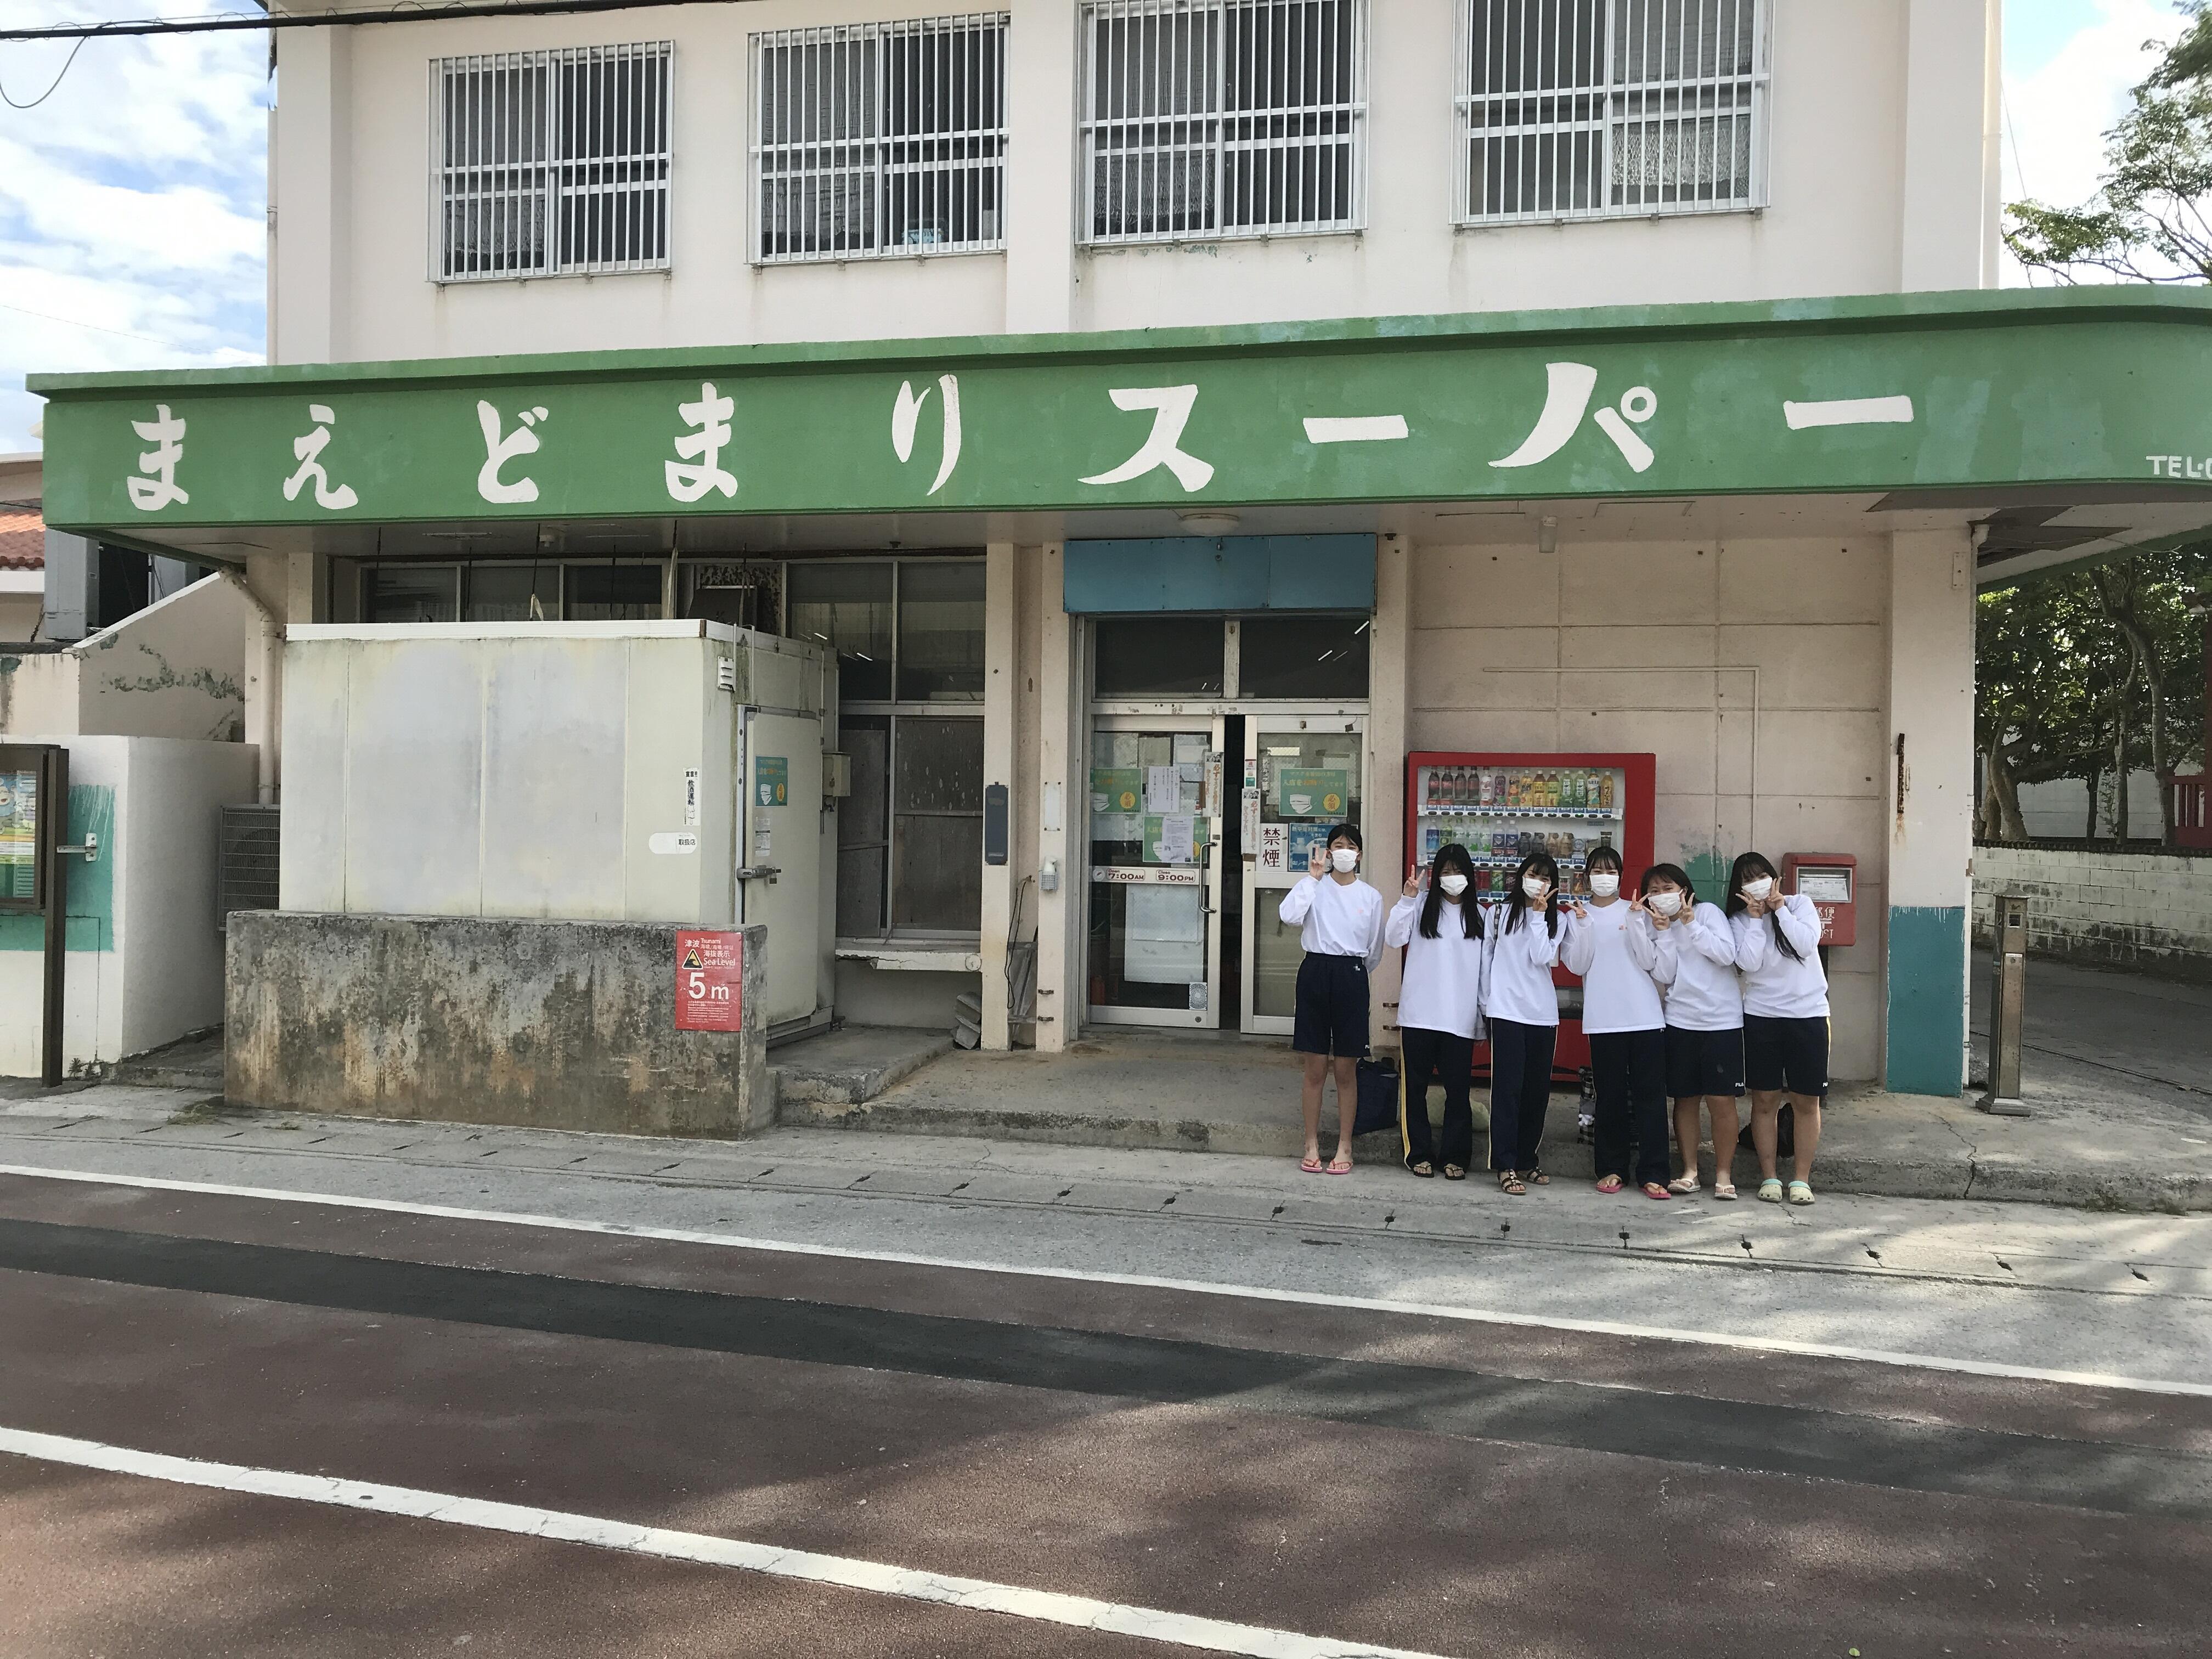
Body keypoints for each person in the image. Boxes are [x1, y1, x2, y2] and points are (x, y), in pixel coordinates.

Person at [1562, 845, 1671, 1199]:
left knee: (1650, 1098)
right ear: (1587, 875)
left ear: (1621, 876)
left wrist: (1639, 923)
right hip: (1604, 1020)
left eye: (1610, 870)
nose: (1604, 876)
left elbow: (1649, 962)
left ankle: (1654, 1172)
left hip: (1644, 1017)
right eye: (1597, 869)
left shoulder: (1638, 910)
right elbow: (1578, 965)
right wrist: (1582, 926)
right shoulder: (1577, 915)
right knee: (1609, 1098)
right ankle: (1611, 1168)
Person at [1279, 823, 1385, 1175]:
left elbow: (1373, 951)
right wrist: (1311, 879)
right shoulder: (1314, 887)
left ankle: (1344, 1146)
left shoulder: (1371, 896)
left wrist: (1353, 974)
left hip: (1351, 975)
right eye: (1336, 845)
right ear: (1326, 852)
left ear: (1359, 855)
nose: (1342, 851)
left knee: (1345, 1068)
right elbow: (1289, 916)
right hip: (1315, 972)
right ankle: (1310, 1143)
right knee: (1314, 1067)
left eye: (1350, 846)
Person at [1728, 852, 1828, 1205]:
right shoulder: (1739, 920)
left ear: (1775, 879)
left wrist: (1779, 909)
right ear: (1739, 889)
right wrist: (1756, 920)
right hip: (1761, 1016)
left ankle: (1801, 1178)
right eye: (1747, 879)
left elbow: (1805, 944)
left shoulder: (1801, 904)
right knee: (1765, 1099)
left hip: (1809, 1015)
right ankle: (1769, 1175)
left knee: (1806, 1099)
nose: (1755, 883)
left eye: (1762, 876)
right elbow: (1748, 963)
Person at [1643, 863, 1747, 1200]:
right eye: (1654, 891)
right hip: (1680, 1021)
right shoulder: (1656, 924)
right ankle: (1689, 1171)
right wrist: (1663, 932)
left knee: (1721, 1101)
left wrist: (1689, 924)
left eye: (1668, 887)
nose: (1662, 896)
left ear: (1685, 889)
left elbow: (1726, 955)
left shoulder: (1707, 913)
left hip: (1722, 1023)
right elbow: (1665, 974)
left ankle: (1723, 1173)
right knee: (1685, 1100)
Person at [1385, 843, 1486, 1181]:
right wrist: (1407, 899)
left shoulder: (1481, 916)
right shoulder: (1421, 907)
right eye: (1444, 871)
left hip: (1459, 1018)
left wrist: (1482, 1017)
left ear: (1469, 876)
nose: (1451, 877)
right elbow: (1393, 938)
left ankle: (1456, 1156)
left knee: (1458, 1092)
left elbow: (1485, 971)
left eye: (1457, 871)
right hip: (1419, 1015)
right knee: (1415, 1088)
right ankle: (1419, 1153)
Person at [1481, 850, 1578, 1195]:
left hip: (1542, 1014)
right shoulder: (1498, 914)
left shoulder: (1559, 920)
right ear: (1521, 876)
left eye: (1546, 878)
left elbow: (1542, 957)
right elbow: (1486, 961)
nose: (1538, 883)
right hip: (1506, 1012)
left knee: (1537, 1091)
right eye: (1533, 874)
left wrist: (1539, 918)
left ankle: (1527, 1158)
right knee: (1507, 1089)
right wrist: (1486, 1003)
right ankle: (1505, 1164)